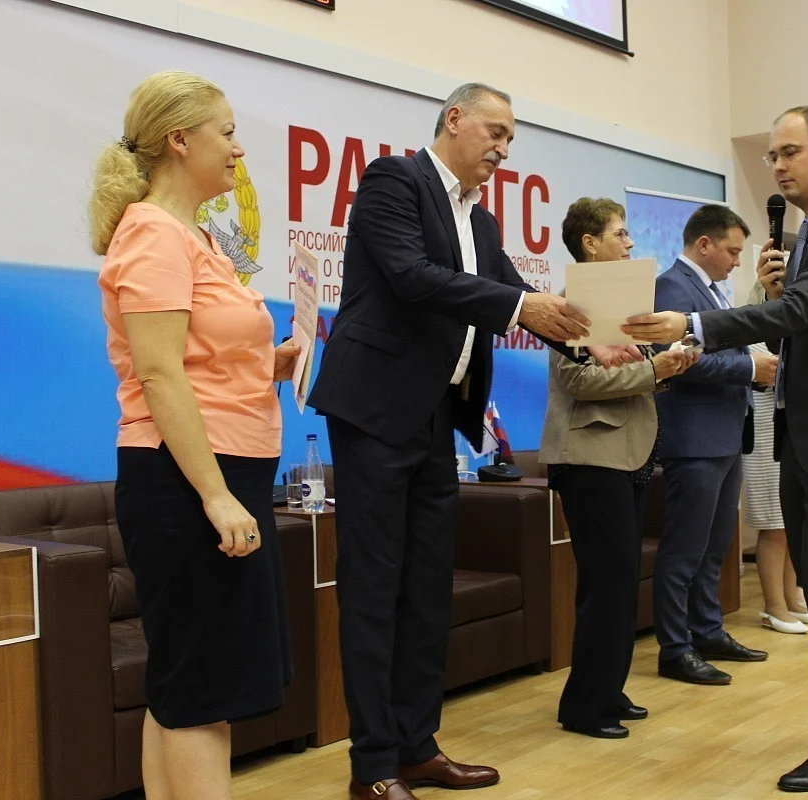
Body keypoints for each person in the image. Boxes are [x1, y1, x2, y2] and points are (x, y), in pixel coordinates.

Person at [306, 83, 636, 800]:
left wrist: (589, 343)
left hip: (436, 418)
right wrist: (525, 306)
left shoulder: (480, 222)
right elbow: (412, 278)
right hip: (374, 412)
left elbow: (527, 302)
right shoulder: (394, 180)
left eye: (511, 139)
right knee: (374, 588)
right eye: (495, 131)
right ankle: (372, 767)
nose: (504, 149)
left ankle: (418, 747)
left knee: (427, 590)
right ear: (454, 119)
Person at [622, 105, 808, 793]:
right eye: (772, 155)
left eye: (789, 152)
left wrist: (695, 322)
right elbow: (793, 335)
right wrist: (780, 297)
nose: (777, 166)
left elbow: (801, 316)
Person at [92, 71, 300, 800]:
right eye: (228, 132)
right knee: (205, 689)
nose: (238, 149)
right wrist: (213, 495)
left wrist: (267, 363)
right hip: (187, 479)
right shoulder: (153, 233)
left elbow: (196, 360)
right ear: (180, 140)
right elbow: (158, 374)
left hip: (219, 470)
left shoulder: (195, 236)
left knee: (184, 683)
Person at [540, 197, 694, 739]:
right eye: (619, 233)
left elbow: (629, 376)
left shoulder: (624, 306)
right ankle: (585, 706)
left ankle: (607, 688)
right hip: (589, 458)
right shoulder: (568, 305)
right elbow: (579, 381)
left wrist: (668, 364)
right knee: (606, 584)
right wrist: (655, 371)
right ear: (590, 244)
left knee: (621, 581)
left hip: (627, 454)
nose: (630, 242)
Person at [652, 204, 772, 686]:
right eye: (732, 251)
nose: (738, 262)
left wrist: (752, 370)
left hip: (724, 435)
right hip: (693, 439)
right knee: (684, 550)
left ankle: (706, 630)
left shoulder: (712, 289)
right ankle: (674, 648)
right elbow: (680, 361)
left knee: (714, 548)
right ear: (704, 244)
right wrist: (750, 368)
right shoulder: (670, 288)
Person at [739, 285, 808, 635]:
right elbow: (766, 370)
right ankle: (773, 606)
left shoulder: (799, 321)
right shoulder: (752, 322)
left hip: (791, 427)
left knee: (792, 522)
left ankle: (791, 597)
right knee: (774, 523)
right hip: (764, 429)